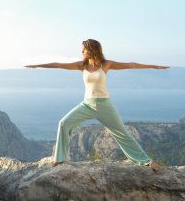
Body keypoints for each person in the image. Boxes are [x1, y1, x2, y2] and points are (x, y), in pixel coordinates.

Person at [25, 39, 169, 171]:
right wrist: (37, 65)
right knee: (64, 123)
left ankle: (146, 161)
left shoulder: (106, 64)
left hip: (104, 106)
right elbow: (59, 65)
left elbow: (131, 64)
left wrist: (153, 66)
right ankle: (60, 158)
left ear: (92, 49)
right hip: (87, 105)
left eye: (83, 49)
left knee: (123, 134)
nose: (81, 52)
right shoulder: (82, 65)